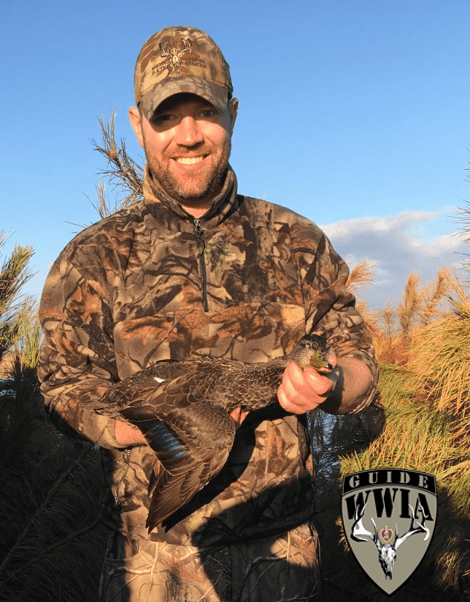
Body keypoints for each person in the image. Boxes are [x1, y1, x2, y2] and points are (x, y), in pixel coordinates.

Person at [37, 25, 378, 602]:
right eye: (167, 116)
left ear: (234, 113)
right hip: (150, 561)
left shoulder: (297, 240)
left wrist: (330, 383)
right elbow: (59, 381)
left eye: (205, 110)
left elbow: (359, 362)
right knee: (210, 441)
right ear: (138, 123)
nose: (188, 135)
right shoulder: (94, 256)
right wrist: (134, 423)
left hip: (285, 549)